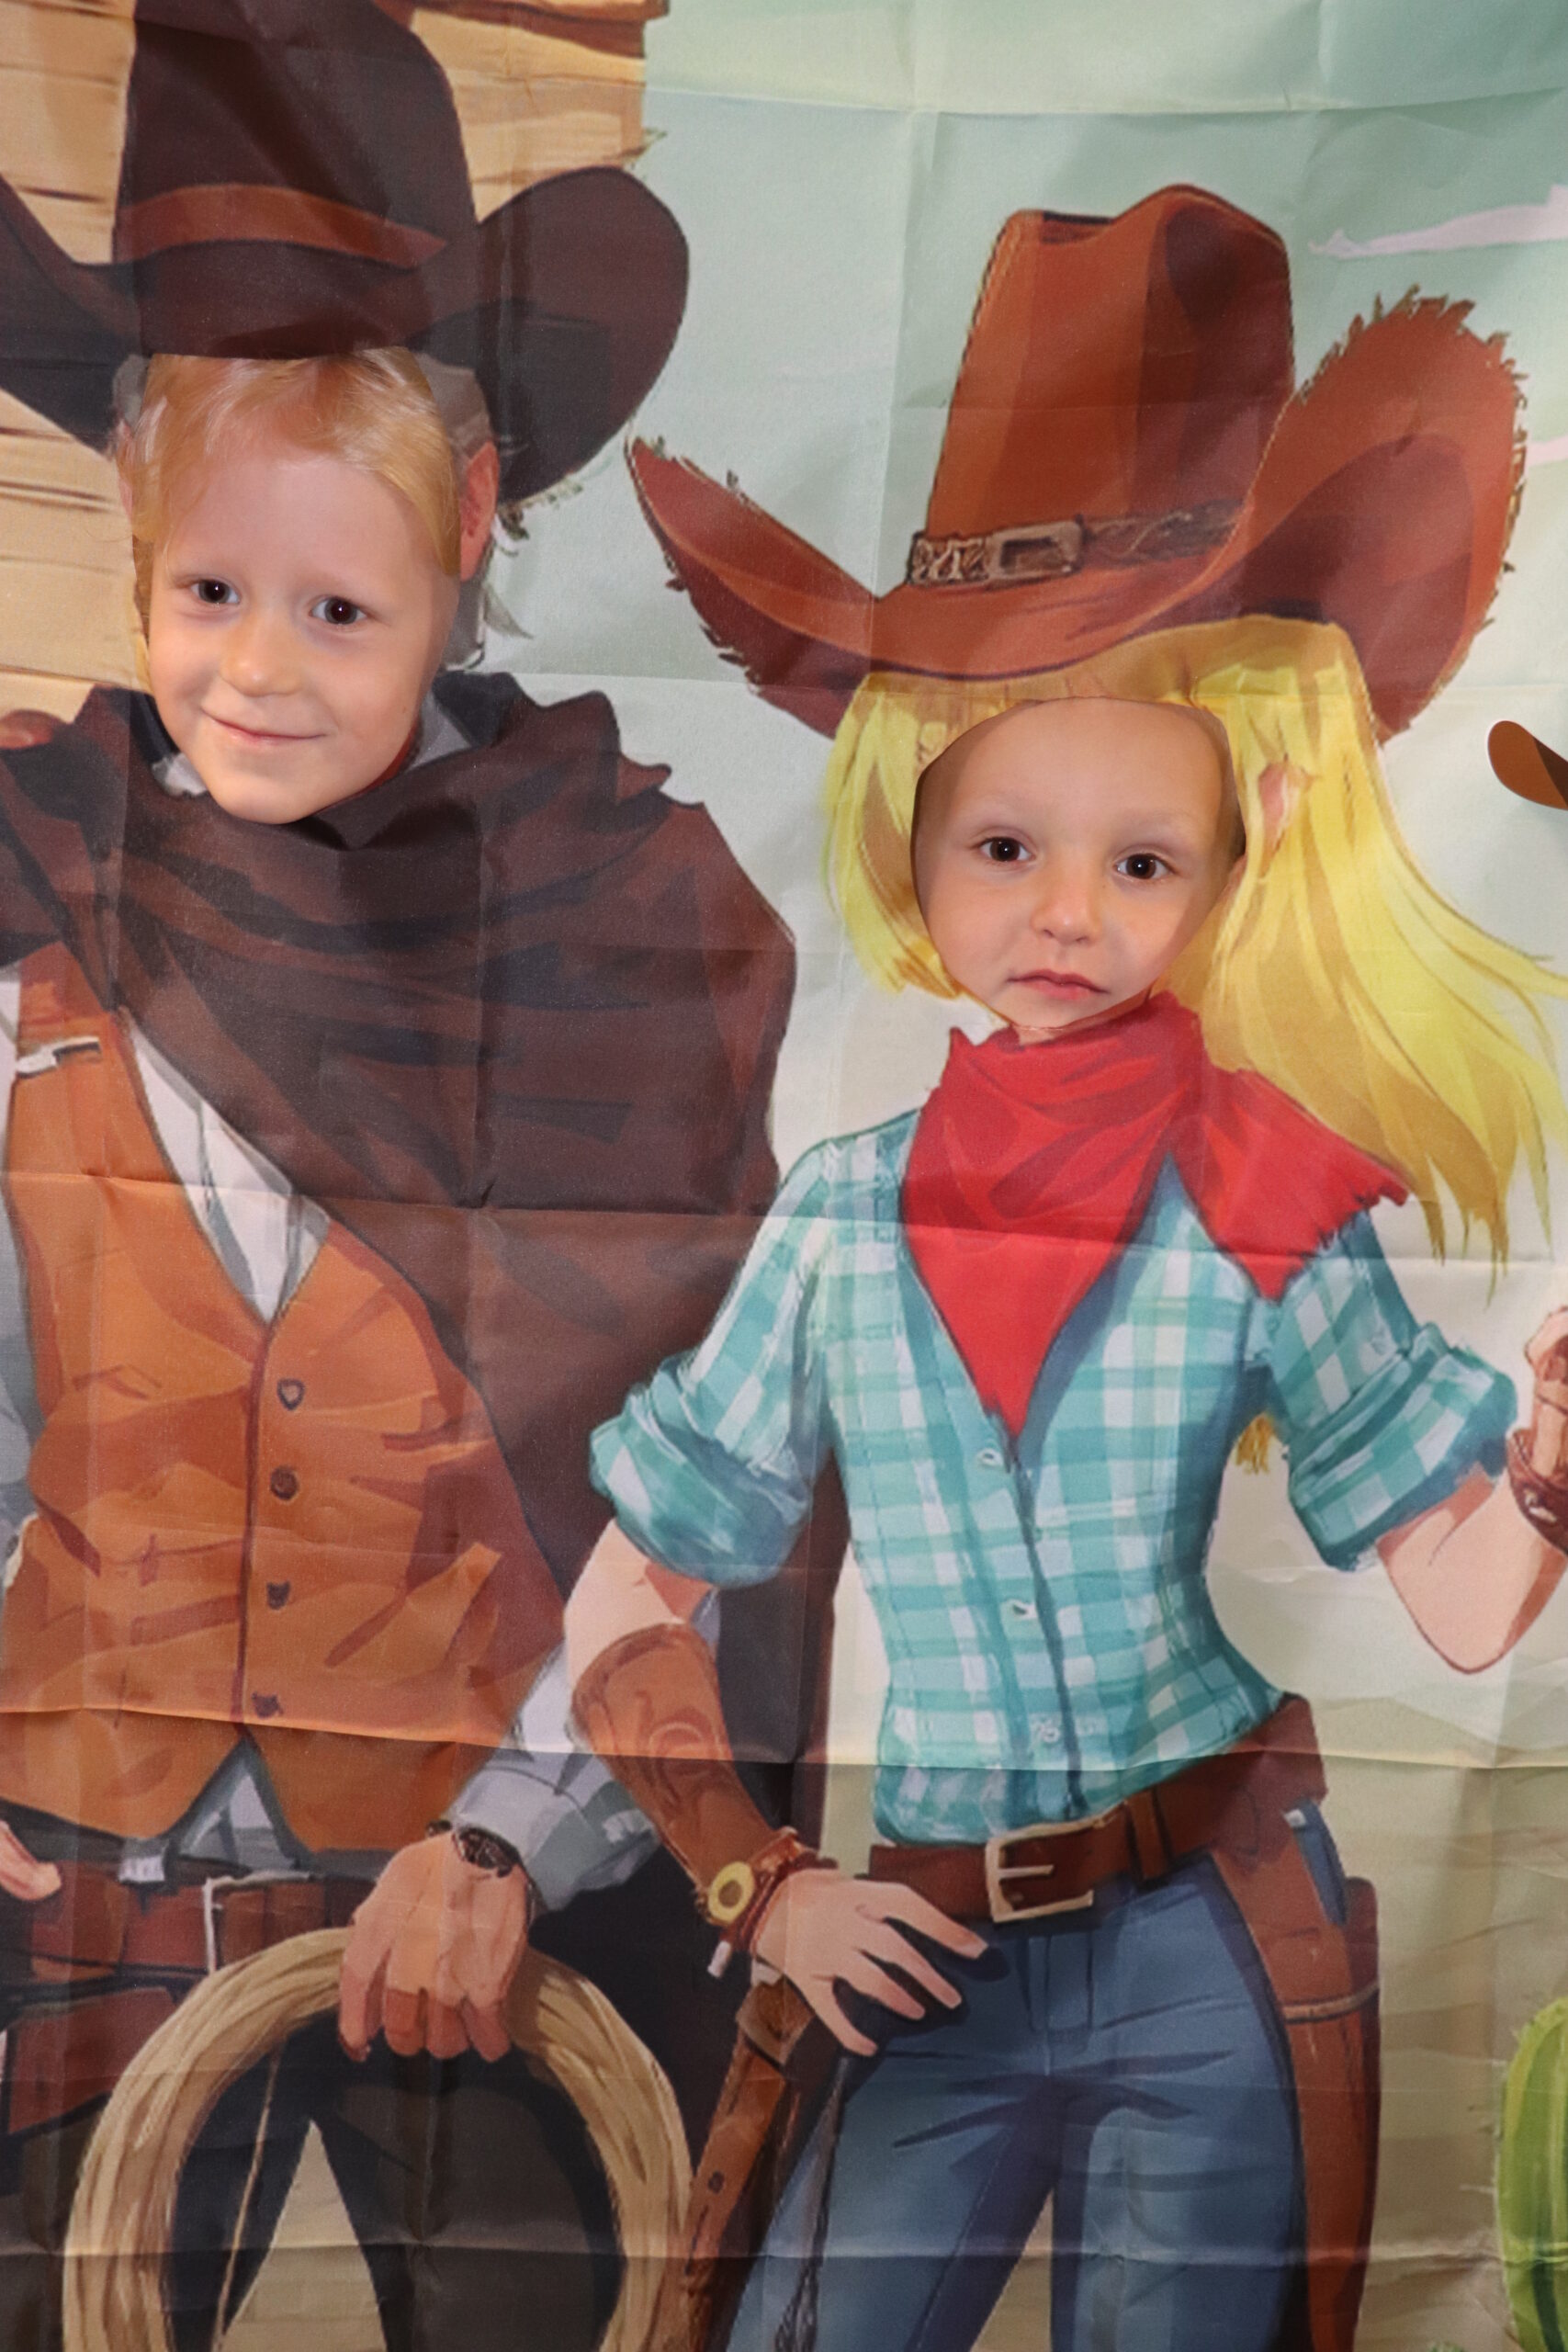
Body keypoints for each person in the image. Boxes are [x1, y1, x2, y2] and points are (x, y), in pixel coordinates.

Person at [0, 3, 840, 2340]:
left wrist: (509, 1831)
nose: (255, 672)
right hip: (70, 1898)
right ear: (139, 542)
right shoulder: (36, 879)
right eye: (206, 593)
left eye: (338, 608)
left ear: (465, 530)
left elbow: (706, 1478)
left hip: (482, 1915)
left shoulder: (634, 922)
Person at [564, 671, 1568, 2352]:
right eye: (1008, 847)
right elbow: (626, 1598)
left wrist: (1553, 1449)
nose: (1069, 914)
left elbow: (1465, 1608)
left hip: (1211, 1938)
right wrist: (763, 1885)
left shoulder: (1266, 1194)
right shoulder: (840, 1219)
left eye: (1144, 863)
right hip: (928, 1938)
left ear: (1228, 875)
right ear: (915, 859)